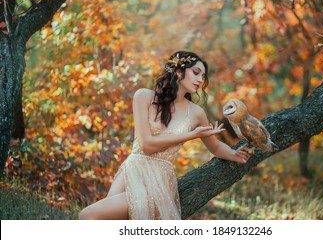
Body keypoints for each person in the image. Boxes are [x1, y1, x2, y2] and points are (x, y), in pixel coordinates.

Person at [79, 51, 252, 220]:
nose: (200, 80)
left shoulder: (197, 113)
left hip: (157, 182)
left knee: (87, 216)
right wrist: (190, 135)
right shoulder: (144, 97)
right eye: (196, 73)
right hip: (131, 170)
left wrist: (235, 155)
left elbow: (215, 147)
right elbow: (146, 145)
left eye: (203, 76)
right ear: (178, 71)